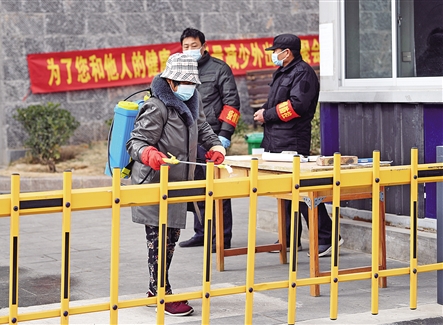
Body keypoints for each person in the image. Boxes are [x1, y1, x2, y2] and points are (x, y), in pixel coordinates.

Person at [126, 53, 225, 316]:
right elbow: (135, 142)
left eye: (191, 82)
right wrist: (149, 154)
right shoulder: (156, 107)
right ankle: (162, 294)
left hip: (179, 182)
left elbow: (202, 127)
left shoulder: (193, 100)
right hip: (154, 182)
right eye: (183, 82)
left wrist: (214, 145)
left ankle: (154, 289)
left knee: (170, 238)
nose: (188, 86)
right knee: (157, 240)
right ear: (170, 81)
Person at [253, 33, 343, 257]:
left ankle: (327, 236)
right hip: (276, 138)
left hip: (292, 139)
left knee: (301, 191)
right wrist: (264, 112)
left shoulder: (303, 73)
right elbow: (275, 101)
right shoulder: (283, 72)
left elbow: (296, 107)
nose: (273, 55)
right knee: (283, 191)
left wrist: (268, 115)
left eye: (275, 51)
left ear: (287, 52)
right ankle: (290, 238)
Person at [178, 28, 241, 252]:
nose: (190, 50)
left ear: (203, 46)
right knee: (198, 187)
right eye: (185, 46)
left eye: (194, 46)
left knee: (219, 188)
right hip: (189, 137)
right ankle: (202, 233)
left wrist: (224, 135)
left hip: (213, 136)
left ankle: (222, 237)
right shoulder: (179, 70)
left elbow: (232, 103)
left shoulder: (219, 69)